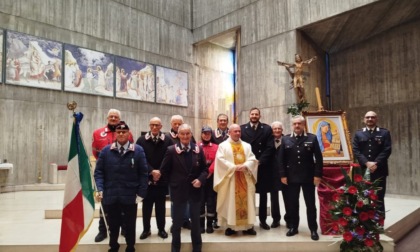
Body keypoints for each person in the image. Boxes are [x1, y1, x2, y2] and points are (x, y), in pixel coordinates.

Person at [94, 121, 149, 252]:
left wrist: (141, 193)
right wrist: (100, 189)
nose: (121, 134)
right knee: (113, 225)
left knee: (130, 225)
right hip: (111, 195)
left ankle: (130, 247)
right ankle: (113, 246)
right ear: (115, 134)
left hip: (130, 196)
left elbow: (143, 173)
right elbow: (99, 172)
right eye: (119, 132)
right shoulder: (106, 151)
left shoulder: (138, 150)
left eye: (124, 132)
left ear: (129, 133)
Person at [160, 124, 208, 252]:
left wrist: (200, 180)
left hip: (195, 192)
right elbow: (164, 171)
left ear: (191, 134)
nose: (185, 136)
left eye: (188, 133)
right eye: (182, 134)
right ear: (178, 135)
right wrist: (174, 184)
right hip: (178, 192)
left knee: (196, 224)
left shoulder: (198, 149)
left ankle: (197, 248)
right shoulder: (171, 150)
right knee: (177, 224)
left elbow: (205, 170)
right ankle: (175, 248)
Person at [91, 109, 134, 242]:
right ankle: (103, 230)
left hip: (123, 173)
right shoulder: (98, 133)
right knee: (105, 204)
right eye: (111, 116)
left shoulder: (128, 133)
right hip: (106, 172)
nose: (113, 118)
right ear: (107, 118)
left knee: (122, 205)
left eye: (116, 116)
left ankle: (124, 230)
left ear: (120, 119)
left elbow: (131, 151)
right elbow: (95, 152)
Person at [279, 115, 323, 241]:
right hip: (291, 178)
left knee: (310, 204)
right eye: (295, 124)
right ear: (292, 125)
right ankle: (293, 227)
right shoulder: (286, 139)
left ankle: (313, 229)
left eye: (299, 124)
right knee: (293, 204)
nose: (297, 126)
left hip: (308, 177)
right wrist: (283, 175)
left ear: (304, 125)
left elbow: (319, 159)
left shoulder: (312, 138)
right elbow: (281, 159)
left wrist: (317, 175)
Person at [214, 124, 258, 236]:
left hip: (245, 177)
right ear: (230, 132)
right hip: (231, 178)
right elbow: (220, 160)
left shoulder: (247, 146)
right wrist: (233, 167)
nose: (238, 133)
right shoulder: (223, 146)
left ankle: (248, 226)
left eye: (239, 131)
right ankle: (230, 226)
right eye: (235, 131)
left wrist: (246, 165)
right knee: (230, 202)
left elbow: (252, 159)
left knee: (248, 201)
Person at [136, 117, 172, 240]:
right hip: (147, 179)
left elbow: (169, 158)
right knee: (146, 207)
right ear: (149, 126)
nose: (154, 127)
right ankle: (146, 230)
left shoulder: (168, 140)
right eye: (152, 125)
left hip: (161, 180)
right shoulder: (141, 140)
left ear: (161, 126)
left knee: (161, 207)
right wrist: (151, 171)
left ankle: (161, 229)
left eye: (157, 125)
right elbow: (140, 158)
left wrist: (160, 172)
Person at [240, 107, 275, 230]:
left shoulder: (266, 129)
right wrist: (248, 163)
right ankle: (248, 221)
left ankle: (263, 220)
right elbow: (240, 147)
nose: (254, 116)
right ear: (249, 115)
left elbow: (270, 147)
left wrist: (260, 161)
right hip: (247, 167)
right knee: (248, 195)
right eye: (252, 114)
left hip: (262, 167)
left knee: (263, 195)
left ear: (260, 116)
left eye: (256, 114)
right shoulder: (242, 129)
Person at [352, 111, 392, 217]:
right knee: (363, 196)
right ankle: (364, 220)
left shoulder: (384, 133)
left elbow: (387, 150)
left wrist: (376, 163)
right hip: (363, 170)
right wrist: (367, 163)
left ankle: (379, 221)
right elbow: (356, 150)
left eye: (372, 117)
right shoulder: (358, 133)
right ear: (364, 119)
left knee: (379, 197)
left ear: (376, 119)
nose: (370, 119)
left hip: (379, 170)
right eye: (367, 117)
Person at [198, 126, 218, 234]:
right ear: (201, 134)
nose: (206, 135)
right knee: (200, 202)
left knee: (211, 202)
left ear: (211, 135)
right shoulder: (196, 146)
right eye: (204, 133)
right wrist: (202, 175)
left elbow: (217, 160)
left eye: (208, 134)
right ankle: (201, 225)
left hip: (211, 177)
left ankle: (209, 224)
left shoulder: (216, 147)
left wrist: (210, 171)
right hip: (200, 178)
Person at [268, 121, 285, 228]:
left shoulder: (288, 140)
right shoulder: (268, 141)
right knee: (274, 198)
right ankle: (276, 219)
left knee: (288, 197)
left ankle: (289, 219)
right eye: (275, 129)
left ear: (282, 130)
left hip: (285, 174)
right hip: (272, 174)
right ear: (272, 130)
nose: (277, 130)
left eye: (279, 128)